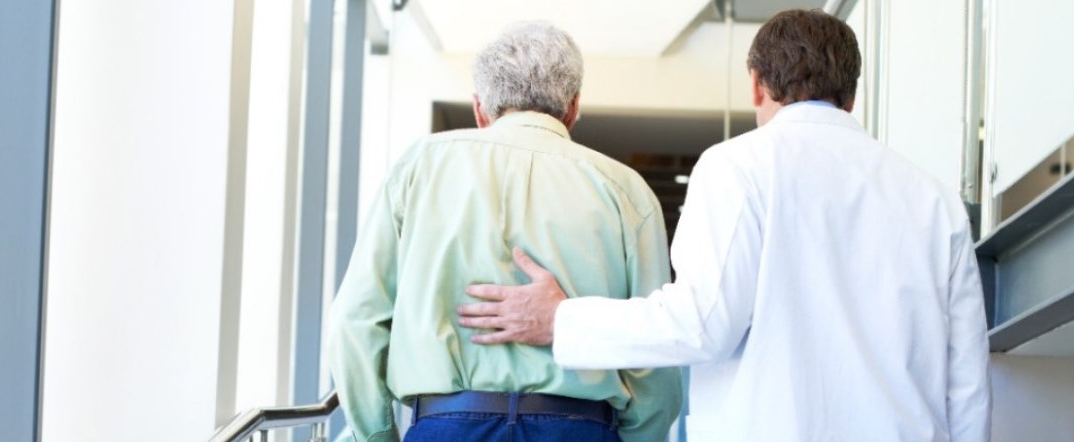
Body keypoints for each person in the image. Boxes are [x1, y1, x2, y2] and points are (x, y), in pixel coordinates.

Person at [456, 9, 991, 442]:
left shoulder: (738, 166)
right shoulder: (936, 198)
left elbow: (703, 324)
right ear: (851, 94)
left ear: (756, 86)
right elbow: (967, 380)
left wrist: (562, 320)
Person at [327, 22, 682, 442]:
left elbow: (357, 321)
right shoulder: (625, 191)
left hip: (446, 426)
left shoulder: (419, 168)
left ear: (480, 109)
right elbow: (653, 352)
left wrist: (377, 435)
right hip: (580, 427)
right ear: (573, 107)